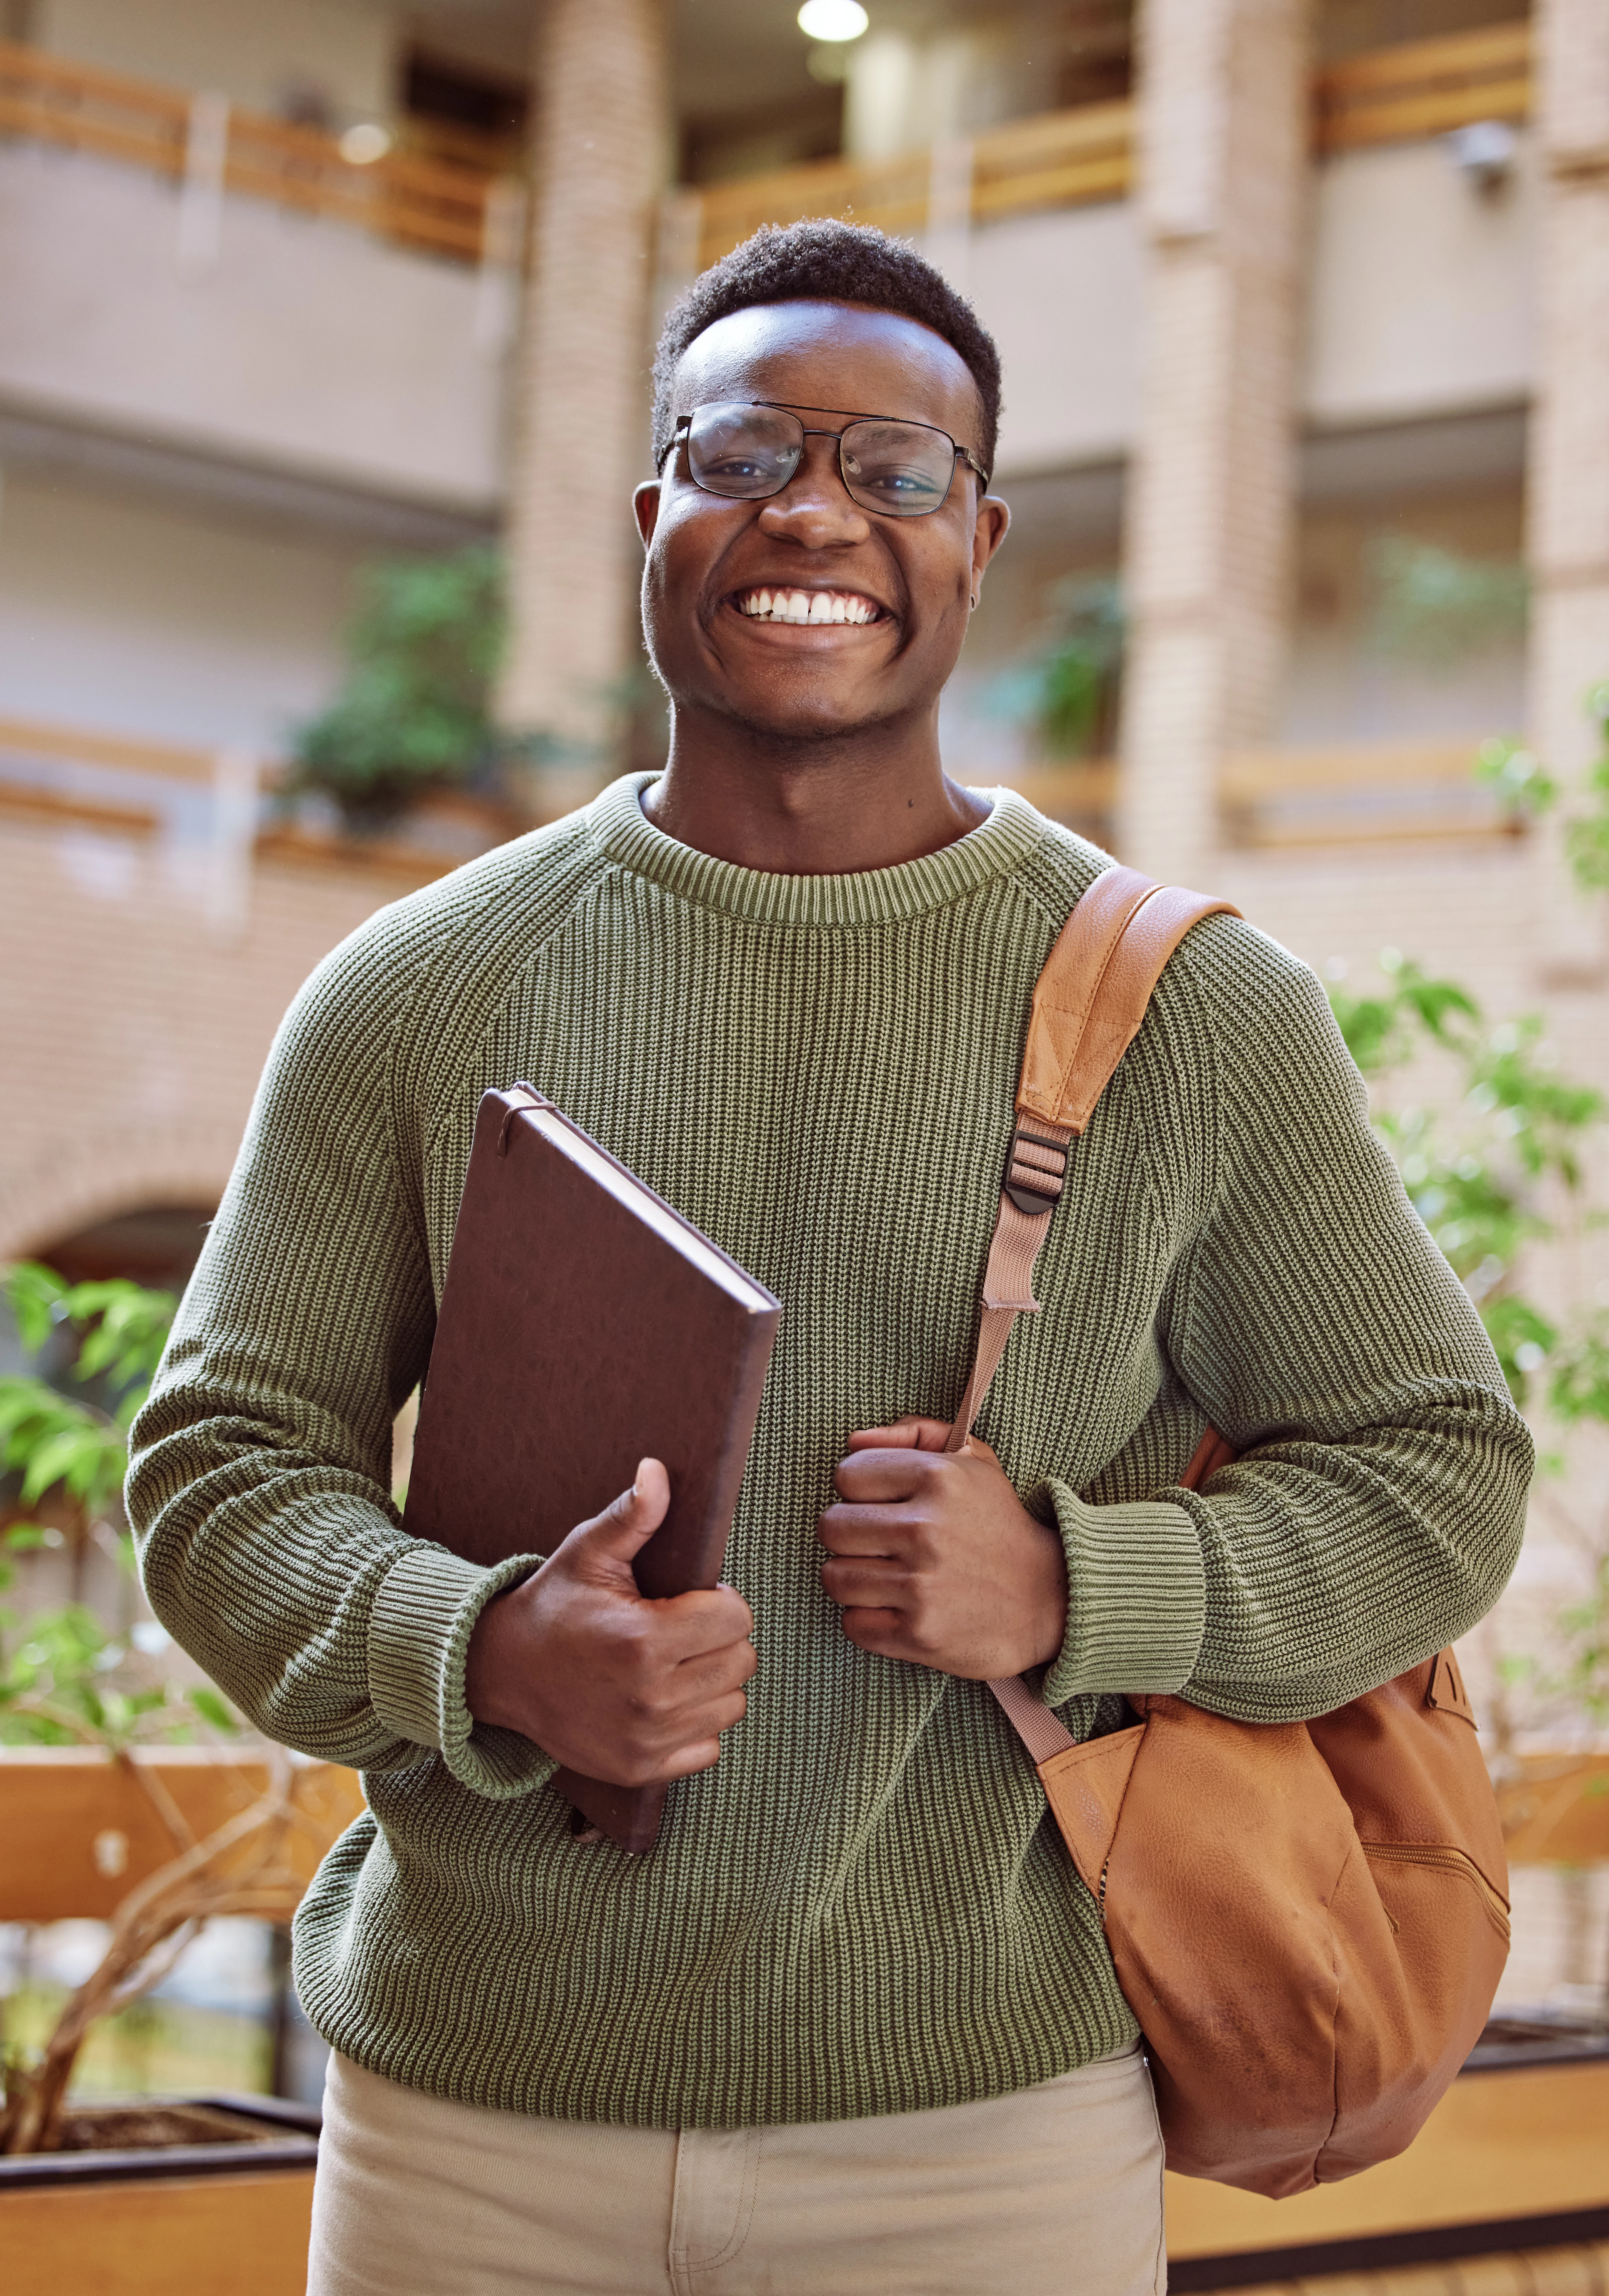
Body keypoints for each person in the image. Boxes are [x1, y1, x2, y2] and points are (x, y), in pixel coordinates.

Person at [128, 222, 1530, 2296]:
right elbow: (219, 1466)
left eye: (891, 468)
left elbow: (1438, 1473)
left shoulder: (1193, 1018)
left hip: (984, 2140)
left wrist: (1077, 1583)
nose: (812, 509)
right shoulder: (416, 989)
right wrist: (485, 1648)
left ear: (975, 539)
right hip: (469, 2131)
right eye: (746, 448)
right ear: (654, 515)